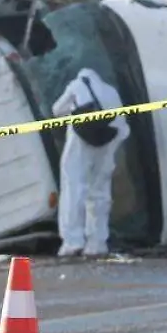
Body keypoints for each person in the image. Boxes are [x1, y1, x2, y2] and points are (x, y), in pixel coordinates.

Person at [51, 67, 129, 258]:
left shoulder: (76, 85)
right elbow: (122, 123)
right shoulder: (111, 91)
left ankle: (72, 241)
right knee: (100, 191)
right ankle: (97, 243)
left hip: (81, 142)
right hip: (107, 143)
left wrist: (73, 110)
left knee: (74, 188)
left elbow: (56, 110)